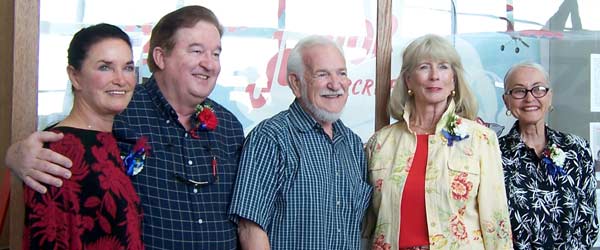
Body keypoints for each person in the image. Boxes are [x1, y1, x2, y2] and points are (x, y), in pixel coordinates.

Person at [6, 6, 244, 250]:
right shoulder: (117, 110)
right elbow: (70, 142)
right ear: (161, 57)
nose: (209, 64)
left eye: (215, 54)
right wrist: (15, 155)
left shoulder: (229, 127)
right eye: (196, 51)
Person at [363, 34, 513, 249]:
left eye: (443, 67)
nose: (434, 76)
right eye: (424, 67)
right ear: (408, 80)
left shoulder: (480, 139)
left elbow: (496, 222)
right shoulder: (380, 143)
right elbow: (367, 224)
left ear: (453, 79)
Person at [228, 35, 372, 249]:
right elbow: (250, 228)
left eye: (341, 73)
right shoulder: (270, 138)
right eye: (322, 74)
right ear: (296, 83)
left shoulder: (352, 144)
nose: (335, 84)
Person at [22, 23, 143, 250]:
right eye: (105, 67)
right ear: (75, 76)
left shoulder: (114, 139)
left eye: (127, 67)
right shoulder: (58, 152)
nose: (121, 79)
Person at [500, 62, 598, 249]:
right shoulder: (492, 154)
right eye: (519, 91)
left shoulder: (577, 149)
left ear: (550, 96)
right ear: (507, 101)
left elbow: (589, 224)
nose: (530, 98)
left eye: (538, 89)